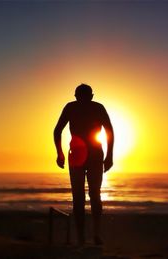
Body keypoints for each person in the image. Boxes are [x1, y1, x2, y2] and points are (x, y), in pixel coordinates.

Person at [54, 83, 114, 245]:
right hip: (83, 154)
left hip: (89, 154)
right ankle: (88, 235)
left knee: (88, 196)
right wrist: (109, 156)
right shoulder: (78, 107)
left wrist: (109, 156)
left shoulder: (89, 107)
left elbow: (109, 131)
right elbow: (57, 130)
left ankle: (92, 234)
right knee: (87, 196)